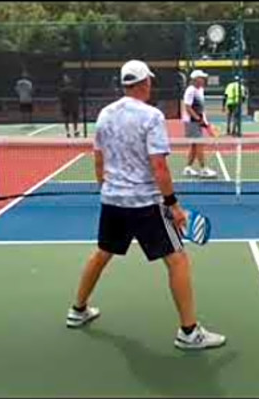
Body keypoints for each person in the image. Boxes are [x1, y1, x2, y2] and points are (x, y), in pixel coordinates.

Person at [66, 60, 226, 350]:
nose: (151, 85)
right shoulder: (152, 116)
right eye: (149, 81)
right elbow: (159, 167)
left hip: (113, 200)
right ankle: (189, 333)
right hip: (146, 204)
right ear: (143, 84)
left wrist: (109, 189)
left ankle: (78, 310)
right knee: (178, 259)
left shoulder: (104, 114)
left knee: (103, 252)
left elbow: (99, 159)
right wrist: (173, 205)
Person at [182, 69, 217, 178]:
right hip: (191, 122)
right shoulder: (190, 90)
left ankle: (188, 168)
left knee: (194, 145)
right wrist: (198, 119)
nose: (203, 80)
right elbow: (187, 107)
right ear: (196, 79)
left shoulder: (200, 90)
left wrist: (206, 124)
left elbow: (200, 109)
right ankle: (203, 169)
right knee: (199, 144)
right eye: (202, 78)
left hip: (197, 121)